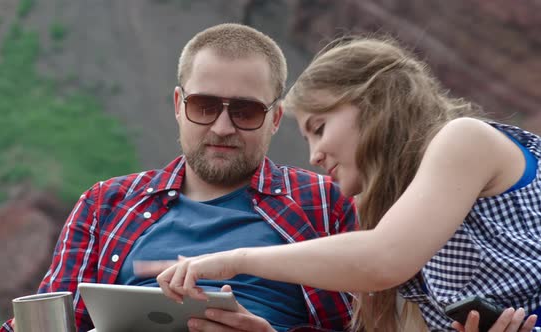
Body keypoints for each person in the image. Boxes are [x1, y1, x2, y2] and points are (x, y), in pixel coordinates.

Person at [155, 36, 541, 332]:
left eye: (319, 129)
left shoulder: (464, 138)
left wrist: (234, 261)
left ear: (371, 103)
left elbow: (383, 258)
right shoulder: (390, 213)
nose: (315, 156)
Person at [0, 24, 358, 332]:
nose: (222, 127)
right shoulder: (104, 205)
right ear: (177, 106)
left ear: (276, 118)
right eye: (204, 106)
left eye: (246, 111)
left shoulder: (328, 202)